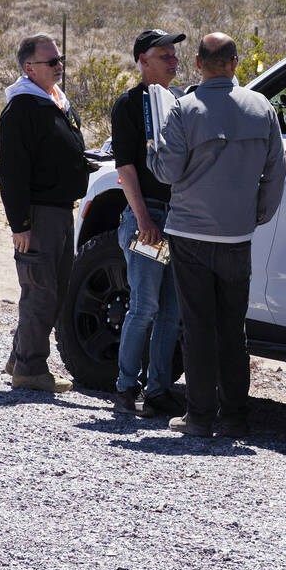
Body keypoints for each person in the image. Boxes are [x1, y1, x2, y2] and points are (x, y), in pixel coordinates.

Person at [148, 32, 285, 437]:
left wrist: (154, 149)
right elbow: (276, 171)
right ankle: (235, 417)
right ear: (235, 63)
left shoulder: (185, 109)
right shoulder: (262, 108)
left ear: (197, 63)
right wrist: (258, 213)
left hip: (190, 234)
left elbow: (168, 172)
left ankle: (200, 415)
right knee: (231, 328)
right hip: (237, 235)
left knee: (197, 326)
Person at [0, 33, 91, 393]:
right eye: (51, 62)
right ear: (29, 67)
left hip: (61, 211)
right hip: (38, 215)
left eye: (60, 59)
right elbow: (12, 173)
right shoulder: (21, 108)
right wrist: (20, 224)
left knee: (56, 287)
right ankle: (31, 370)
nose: (59, 66)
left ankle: (20, 355)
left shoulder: (55, 101)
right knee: (41, 290)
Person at [109, 29, 187, 417]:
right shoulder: (128, 105)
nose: (173, 59)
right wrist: (143, 218)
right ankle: (125, 388)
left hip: (177, 219)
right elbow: (125, 166)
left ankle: (158, 390)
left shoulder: (179, 102)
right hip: (149, 217)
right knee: (145, 306)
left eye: (174, 53)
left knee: (171, 311)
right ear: (142, 60)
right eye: (163, 54)